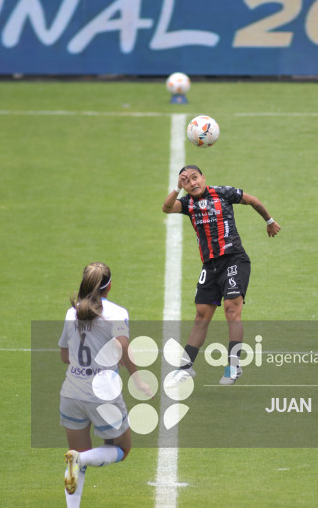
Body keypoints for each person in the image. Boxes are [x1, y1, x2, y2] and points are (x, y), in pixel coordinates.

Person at [162, 165, 281, 385]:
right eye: (186, 181)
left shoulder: (223, 193)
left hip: (234, 259)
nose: (192, 183)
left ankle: (234, 366)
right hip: (210, 266)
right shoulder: (187, 203)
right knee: (201, 316)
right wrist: (177, 188)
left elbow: (252, 200)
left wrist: (269, 221)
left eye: (195, 177)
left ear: (203, 177)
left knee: (231, 311)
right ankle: (185, 367)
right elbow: (167, 208)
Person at [58, 262, 148, 507]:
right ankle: (81, 459)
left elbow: (65, 356)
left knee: (76, 458)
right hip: (103, 394)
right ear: (109, 287)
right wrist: (138, 380)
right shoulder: (117, 313)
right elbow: (123, 347)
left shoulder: (71, 313)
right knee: (122, 448)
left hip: (71, 394)